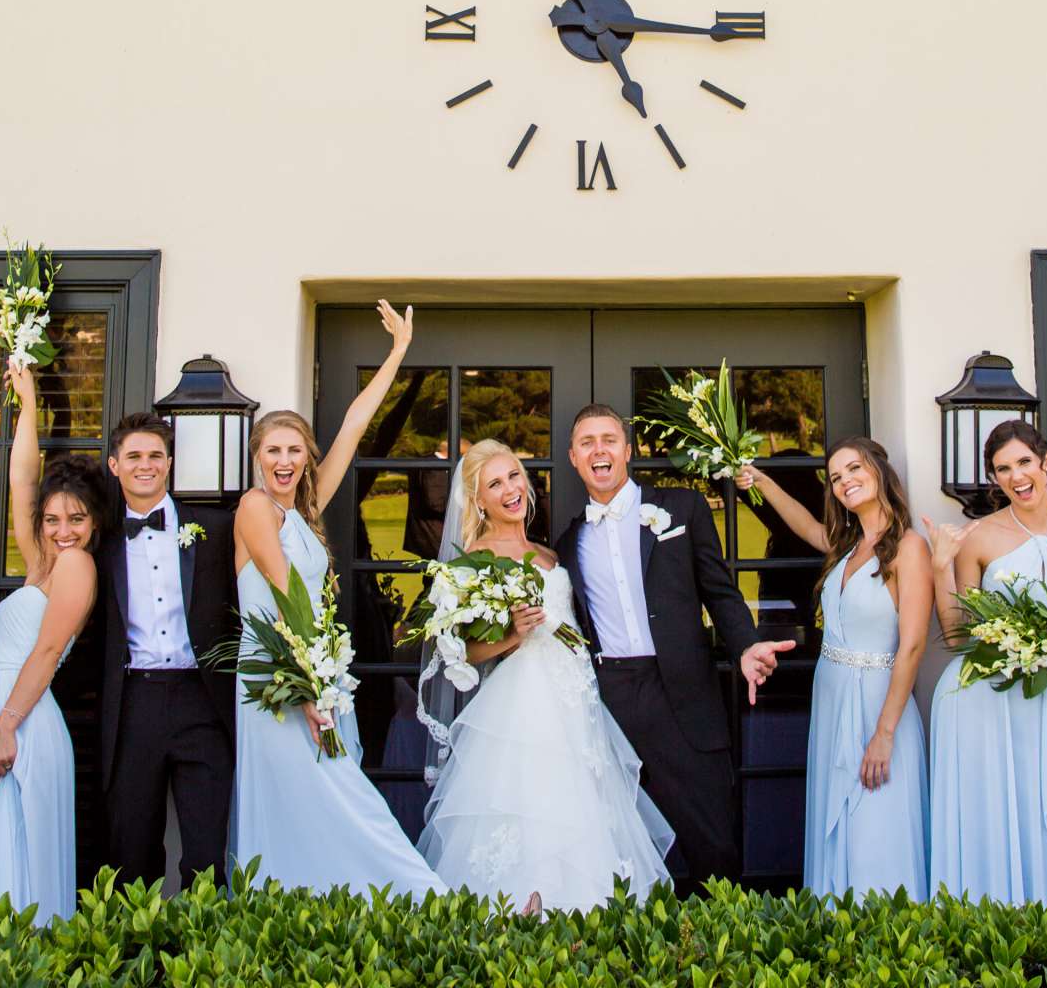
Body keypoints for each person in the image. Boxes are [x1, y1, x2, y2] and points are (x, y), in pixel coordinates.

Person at [230, 300, 444, 895]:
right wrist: (304, 690)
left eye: (294, 451)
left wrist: (397, 354)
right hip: (275, 678)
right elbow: (283, 597)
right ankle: (418, 897)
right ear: (256, 458)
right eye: (273, 451)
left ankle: (359, 905)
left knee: (337, 788)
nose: (285, 460)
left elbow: (352, 425)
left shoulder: (305, 507)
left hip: (312, 671)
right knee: (325, 794)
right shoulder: (253, 509)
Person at [552, 405, 796, 894]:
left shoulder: (681, 509)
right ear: (574, 458)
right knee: (621, 845)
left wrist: (745, 645)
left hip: (685, 694)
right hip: (610, 702)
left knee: (713, 843)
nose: (599, 449)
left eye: (609, 439)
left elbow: (719, 591)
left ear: (627, 450)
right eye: (587, 442)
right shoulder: (567, 541)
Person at [417, 441, 672, 908]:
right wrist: (512, 635)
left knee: (583, 808)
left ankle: (581, 921)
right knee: (532, 806)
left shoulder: (550, 553)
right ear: (478, 500)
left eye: (514, 475)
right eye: (495, 484)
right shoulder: (471, 561)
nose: (511, 489)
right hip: (522, 705)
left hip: (577, 700)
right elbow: (463, 655)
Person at [0, 362, 113, 920]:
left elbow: (45, 652)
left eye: (76, 519)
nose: (63, 530)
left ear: (94, 524)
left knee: (11, 853)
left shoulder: (77, 567)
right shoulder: (41, 563)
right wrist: (29, 406)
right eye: (54, 519)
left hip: (22, 718)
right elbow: (21, 480)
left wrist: (6, 726)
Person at [920, 422, 1047, 904]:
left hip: (1043, 698)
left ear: (1045, 462)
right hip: (978, 697)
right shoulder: (978, 538)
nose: (1016, 476)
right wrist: (941, 565)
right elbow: (955, 633)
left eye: (1024, 462)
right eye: (1003, 469)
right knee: (990, 817)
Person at [743, 438, 930, 897]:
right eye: (836, 476)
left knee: (876, 821)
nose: (845, 480)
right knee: (838, 813)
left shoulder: (909, 548)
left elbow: (912, 647)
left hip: (878, 704)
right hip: (832, 696)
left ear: (881, 471)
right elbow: (803, 522)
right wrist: (760, 479)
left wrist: (884, 734)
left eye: (854, 469)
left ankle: (888, 934)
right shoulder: (846, 545)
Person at [95, 391, 237, 894]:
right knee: (131, 852)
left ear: (170, 463)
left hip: (204, 702)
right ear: (114, 465)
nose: (145, 465)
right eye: (133, 456)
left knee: (204, 856)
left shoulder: (215, 530)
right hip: (134, 704)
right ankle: (137, 963)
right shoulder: (101, 542)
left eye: (155, 456)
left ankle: (198, 964)